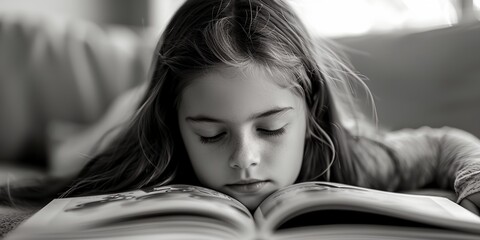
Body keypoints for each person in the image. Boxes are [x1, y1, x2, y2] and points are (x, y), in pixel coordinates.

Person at [16, 0, 480, 213]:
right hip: (127, 113)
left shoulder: (357, 155)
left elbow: (443, 144)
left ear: (311, 112)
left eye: (273, 128)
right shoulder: (140, 143)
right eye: (211, 135)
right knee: (69, 151)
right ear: (176, 126)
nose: (245, 159)